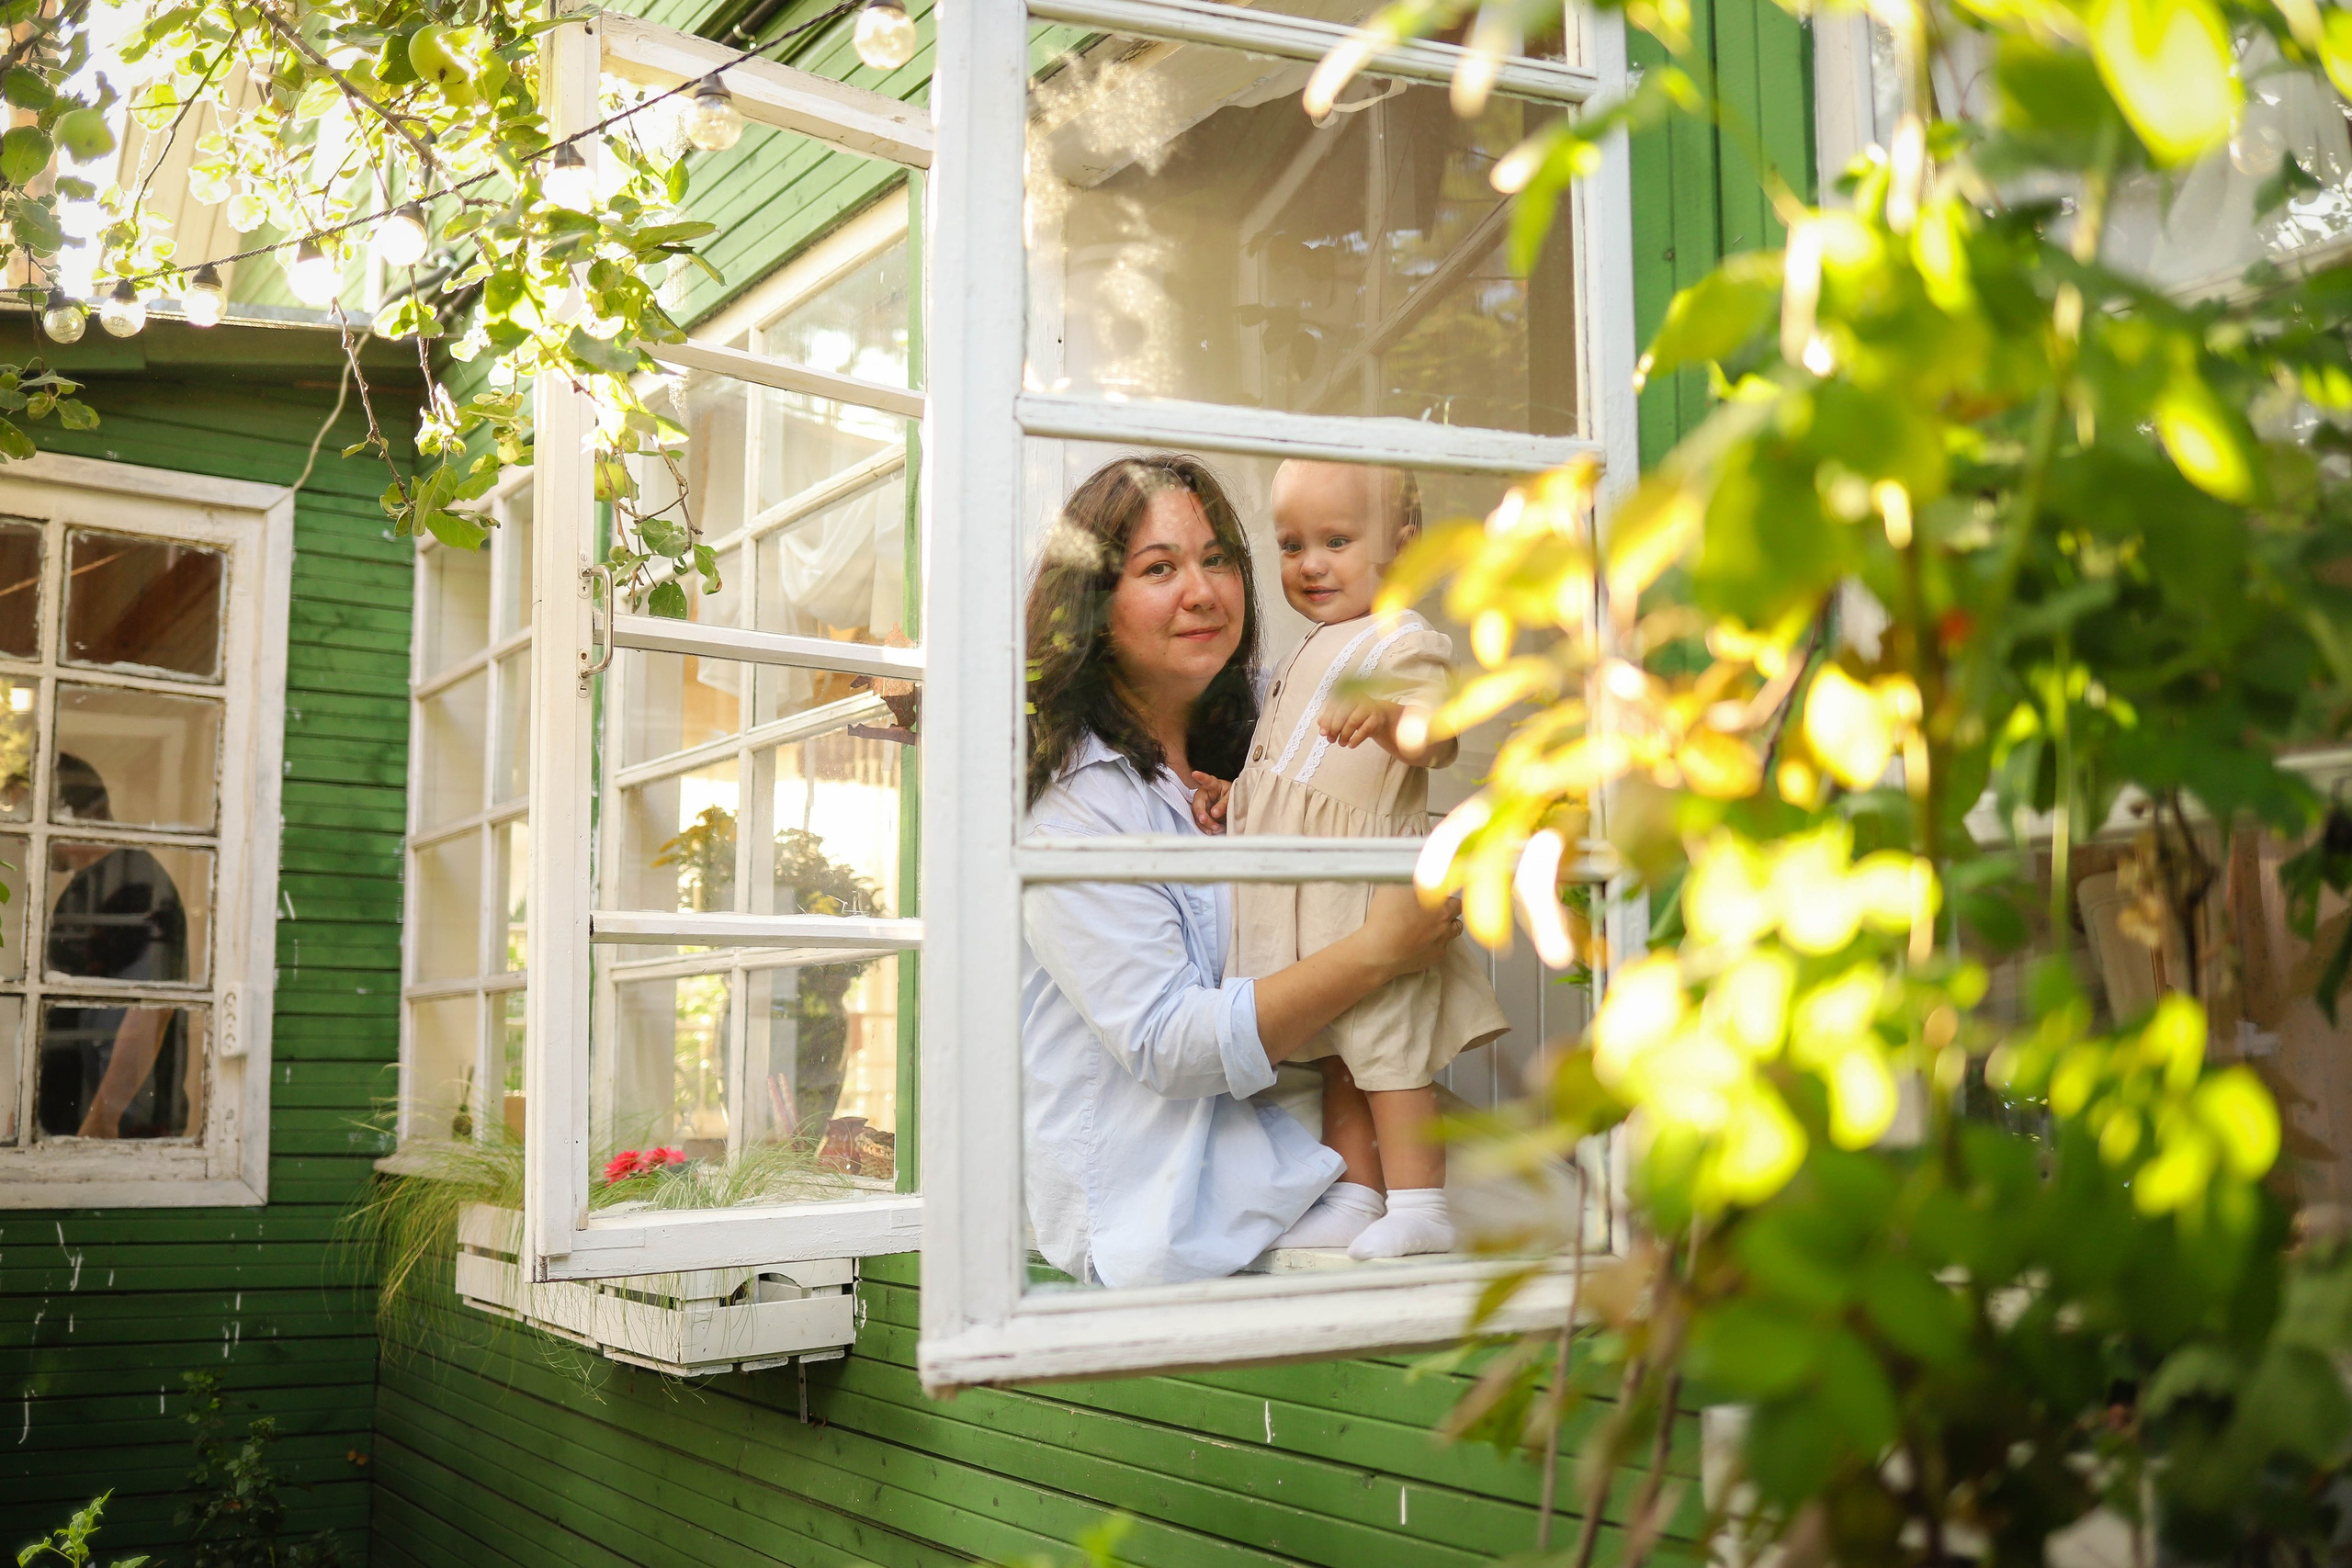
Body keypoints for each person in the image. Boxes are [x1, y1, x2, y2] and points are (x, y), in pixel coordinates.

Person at [1023, 454, 1463, 1289]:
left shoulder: (1262, 726)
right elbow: (1168, 1041)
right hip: (1175, 1206)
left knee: (1563, 1201)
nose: (1203, 591)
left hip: (1315, 1145)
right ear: (1094, 606)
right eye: (1160, 568)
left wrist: (1418, 886)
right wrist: (1379, 948)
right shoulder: (1078, 803)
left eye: (1218, 558)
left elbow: (1386, 795)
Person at [1207, 461, 1507, 1259]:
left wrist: (1387, 719)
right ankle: (1357, 1191)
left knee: (1386, 1046)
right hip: (1307, 892)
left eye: (1337, 541)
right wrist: (1227, 796)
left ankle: (1421, 1201)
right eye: (1293, 544)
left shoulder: (1402, 638)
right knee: (1341, 1045)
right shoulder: (1308, 648)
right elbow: (1282, 770)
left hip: (1364, 886)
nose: (1311, 563)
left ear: (1401, 546)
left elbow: (1438, 740)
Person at [40, 753, 193, 1139]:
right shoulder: (87, 886)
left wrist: (103, 1119)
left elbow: (150, 1010)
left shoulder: (134, 886)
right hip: (72, 1126)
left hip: (119, 1133)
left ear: (66, 813)